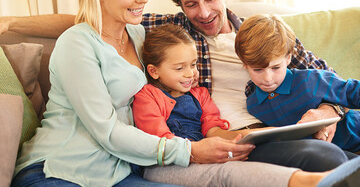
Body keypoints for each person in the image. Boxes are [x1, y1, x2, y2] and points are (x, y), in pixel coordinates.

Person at [1, 0, 355, 173]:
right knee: (323, 158)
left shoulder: (262, 32)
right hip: (225, 133)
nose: (203, 13)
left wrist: (329, 110)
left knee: (331, 143)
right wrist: (11, 23)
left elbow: (326, 77)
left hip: (278, 126)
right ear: (180, 8)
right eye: (190, 5)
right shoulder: (170, 32)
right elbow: (87, 20)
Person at [10, 0, 258, 186]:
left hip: (120, 172)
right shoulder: (76, 43)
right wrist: (189, 150)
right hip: (59, 170)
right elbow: (107, 131)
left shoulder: (139, 34)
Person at [131, 23, 360, 187]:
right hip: (175, 157)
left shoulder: (199, 94)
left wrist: (249, 136)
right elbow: (159, 138)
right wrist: (199, 150)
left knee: (348, 164)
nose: (190, 73)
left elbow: (212, 129)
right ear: (153, 71)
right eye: (180, 68)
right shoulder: (148, 96)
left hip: (351, 132)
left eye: (193, 65)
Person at [234, 14, 360, 152]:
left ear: (288, 58)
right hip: (331, 156)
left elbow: (353, 92)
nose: (268, 78)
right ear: (245, 65)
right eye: (258, 69)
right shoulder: (253, 104)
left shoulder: (309, 80)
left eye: (275, 67)